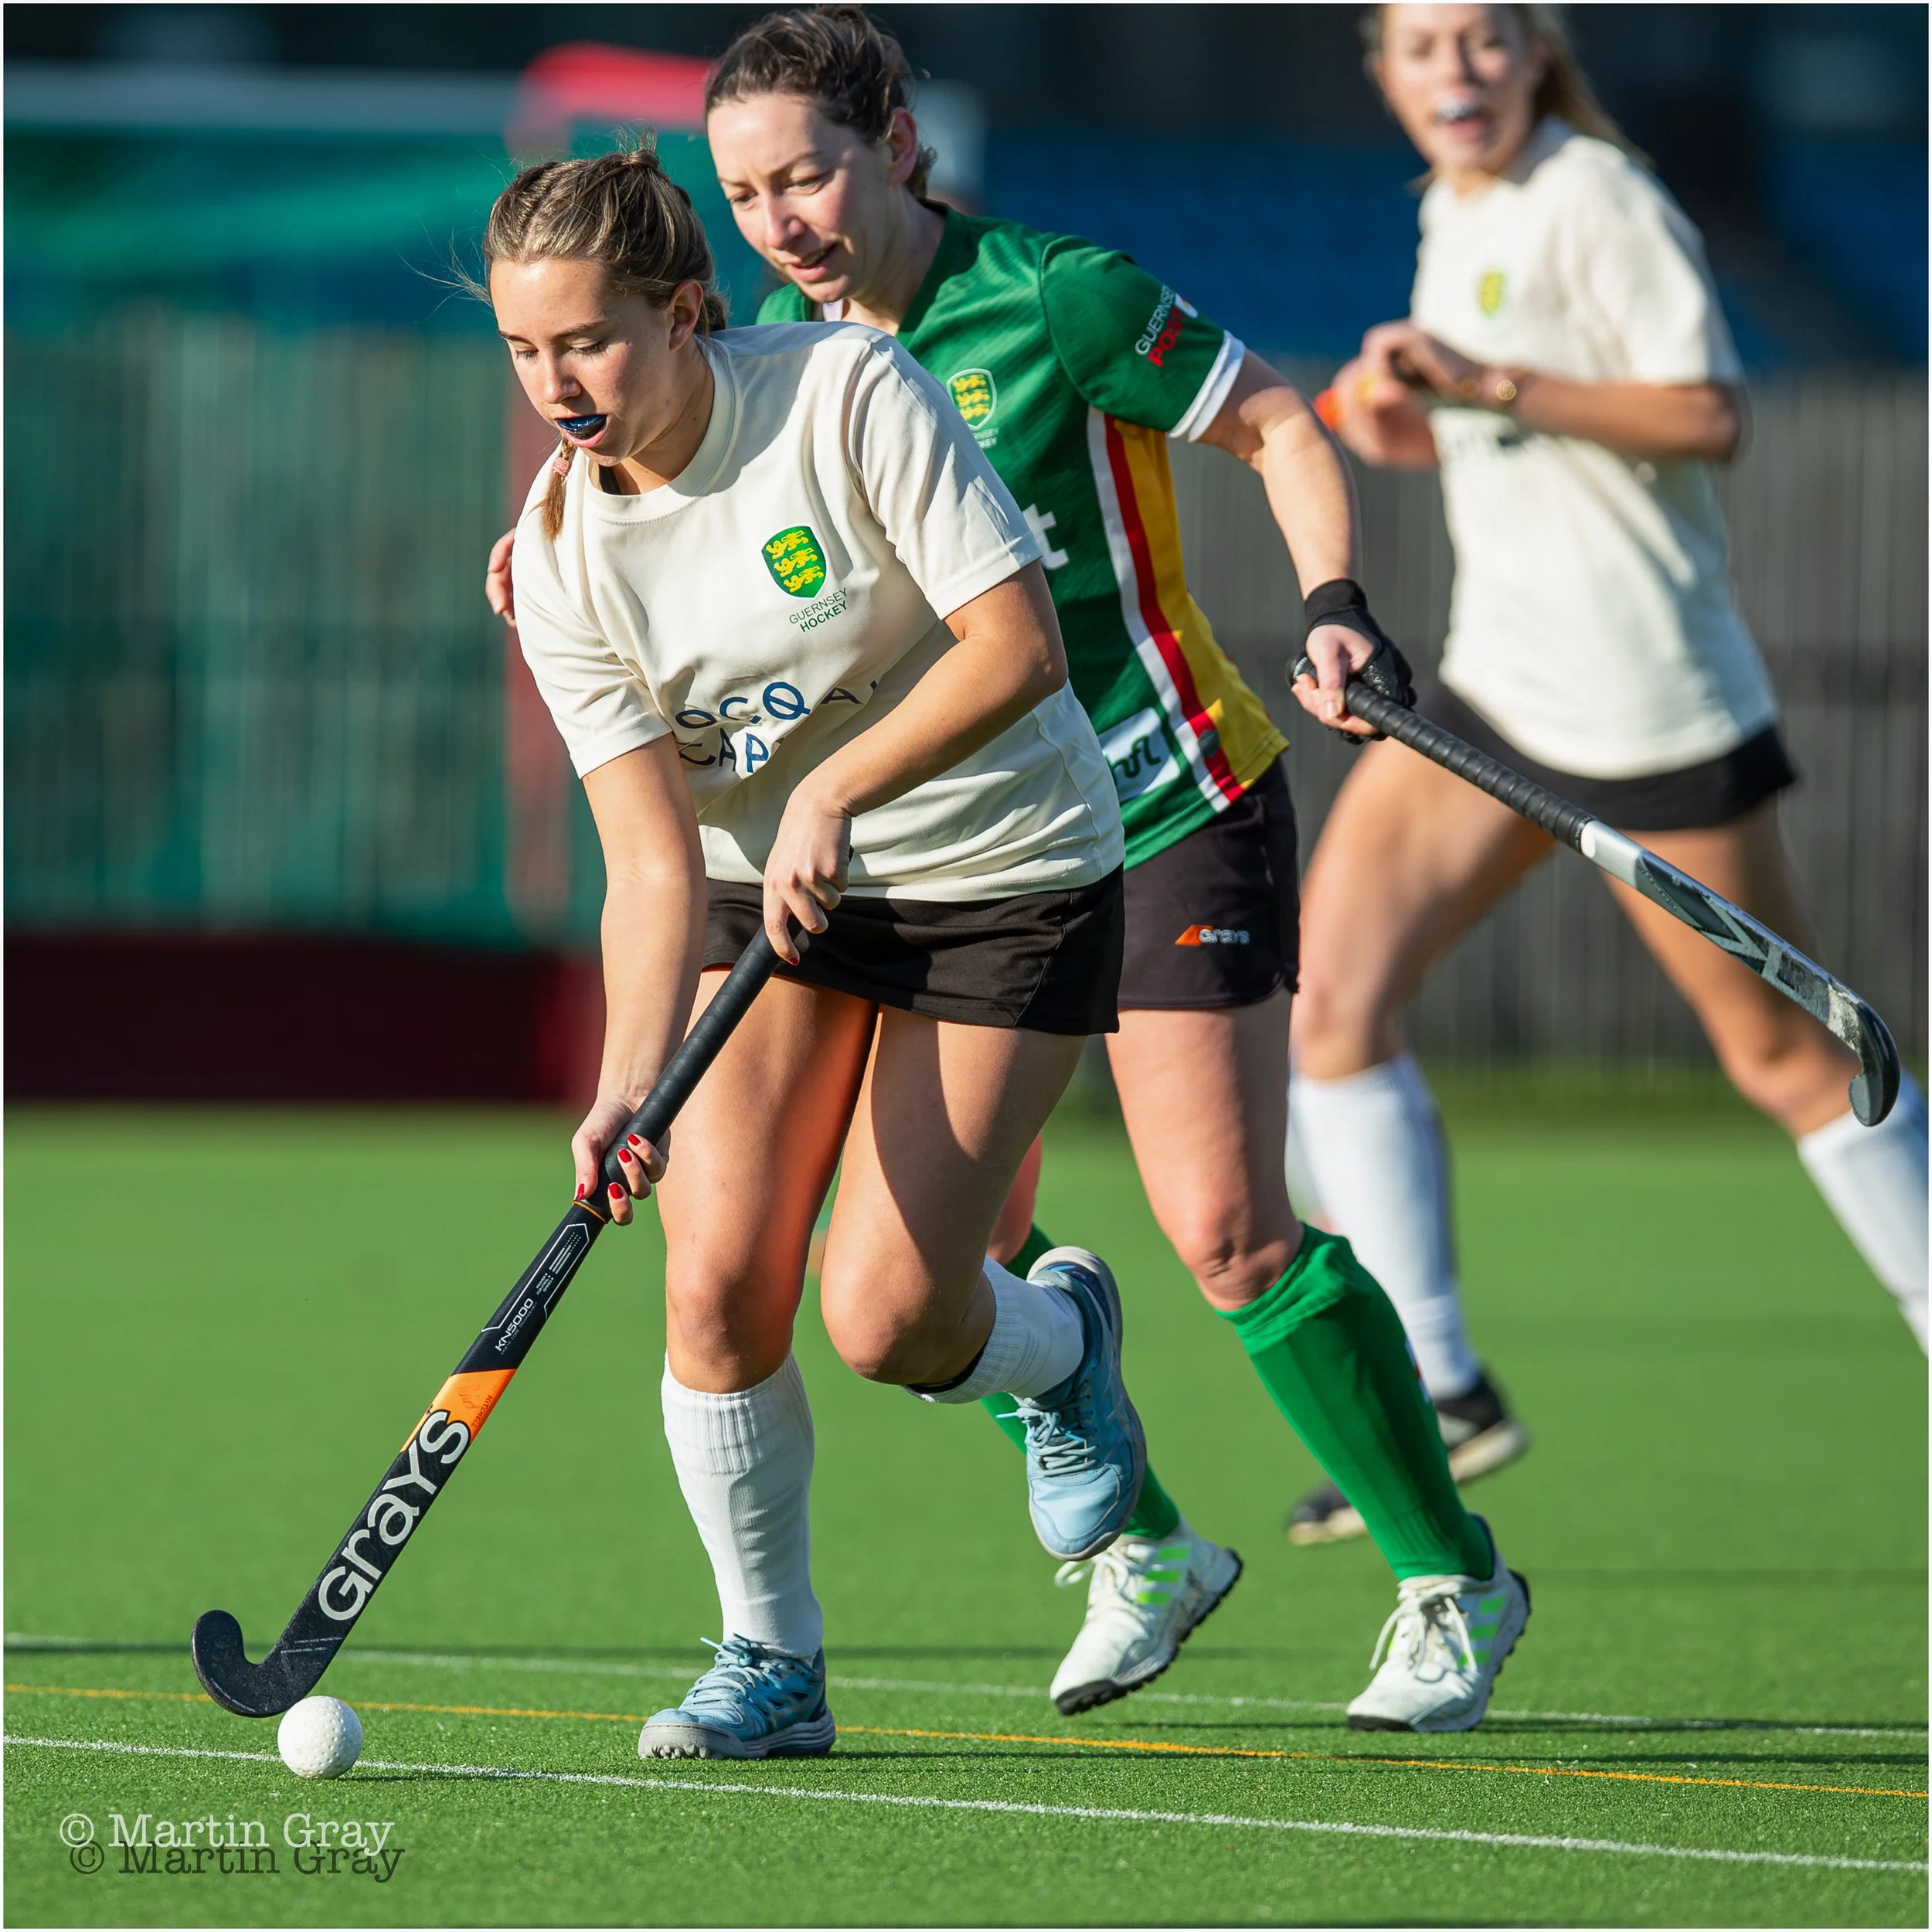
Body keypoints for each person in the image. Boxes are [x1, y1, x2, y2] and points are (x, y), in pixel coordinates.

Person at [499, 4, 1537, 1733]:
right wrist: (557, 530)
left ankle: (1449, 1576)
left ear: (893, 139)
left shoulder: (1054, 295)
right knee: (931, 1259)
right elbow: (677, 468)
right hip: (907, 834)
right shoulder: (758, 346)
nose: (780, 223)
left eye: (807, 175)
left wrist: (1337, 605)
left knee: (1220, 1226)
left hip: (1152, 789)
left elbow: (1276, 424)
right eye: (745, 194)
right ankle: (1127, 1523)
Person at [486, 143, 1160, 1761]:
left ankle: (1057, 1344)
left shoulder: (845, 391)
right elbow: (649, 858)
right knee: (714, 1282)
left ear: (684, 312)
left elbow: (1017, 643)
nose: (558, 381)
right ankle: (767, 1661)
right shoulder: (565, 555)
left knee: (888, 1323)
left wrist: (839, 786)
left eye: (588, 338)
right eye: (524, 349)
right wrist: (621, 1083)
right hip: (768, 895)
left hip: (1004, 867)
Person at [1283, 2, 1930, 1543]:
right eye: (1420, 48)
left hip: (1645, 703)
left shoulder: (1598, 193)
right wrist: (1404, 417)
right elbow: (1504, 446)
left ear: (1535, 56)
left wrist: (1486, 381)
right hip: (1501, 683)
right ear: (1381, 78)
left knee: (1783, 1059)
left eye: (1482, 41)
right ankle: (1439, 1380)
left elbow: (1707, 413)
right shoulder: (1454, 207)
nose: (1454, 71)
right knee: (1322, 1001)